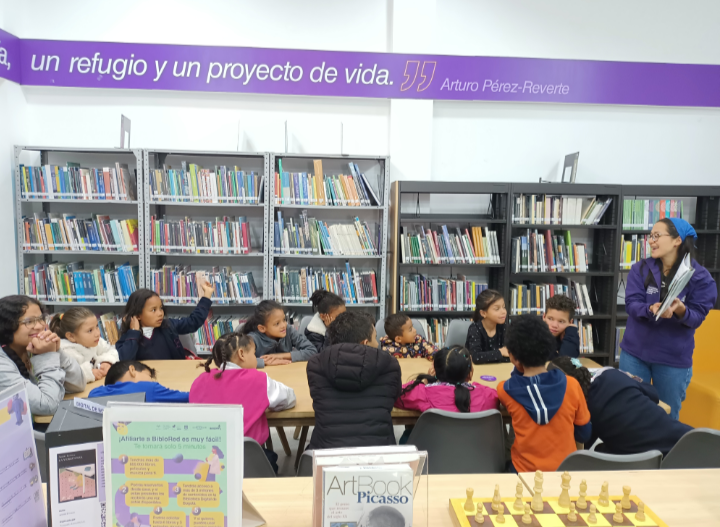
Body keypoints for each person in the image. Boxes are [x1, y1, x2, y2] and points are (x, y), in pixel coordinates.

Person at [620, 217, 717, 420]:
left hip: (672, 360)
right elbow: (631, 304)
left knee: (666, 417)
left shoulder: (701, 278)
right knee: (629, 413)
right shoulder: (641, 268)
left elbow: (697, 317)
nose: (651, 241)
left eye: (657, 236)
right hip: (635, 354)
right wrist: (650, 308)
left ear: (677, 240)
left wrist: (682, 310)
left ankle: (664, 453)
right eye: (650, 236)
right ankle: (632, 453)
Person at [189, 332, 296, 472]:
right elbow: (289, 398)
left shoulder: (199, 381)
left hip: (208, 465)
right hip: (249, 463)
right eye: (254, 353)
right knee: (271, 459)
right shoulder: (257, 379)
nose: (255, 358)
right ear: (241, 354)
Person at [497, 315, 591, 473]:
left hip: (523, 472)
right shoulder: (572, 385)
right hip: (564, 472)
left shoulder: (506, 390)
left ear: (513, 356)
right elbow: (584, 434)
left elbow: (519, 379)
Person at [550, 357, 693, 456]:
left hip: (638, 460)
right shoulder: (612, 375)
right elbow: (654, 396)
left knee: (600, 451)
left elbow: (582, 446)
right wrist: (630, 380)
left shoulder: (583, 410)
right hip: (683, 439)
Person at [307, 312, 401, 450]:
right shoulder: (389, 364)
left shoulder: (316, 364)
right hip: (379, 455)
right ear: (365, 343)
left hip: (328, 456)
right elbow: (395, 396)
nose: (378, 342)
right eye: (375, 338)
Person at [0, 295, 86, 416]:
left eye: (41, 319)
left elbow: (78, 385)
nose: (40, 326)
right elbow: (48, 405)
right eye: (29, 321)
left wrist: (57, 351)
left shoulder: (33, 346)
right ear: (6, 326)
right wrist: (48, 355)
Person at [395, 346, 500, 442]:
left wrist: (426, 381)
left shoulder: (423, 392)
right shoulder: (485, 395)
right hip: (472, 454)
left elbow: (395, 393)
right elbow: (499, 397)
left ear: (435, 371)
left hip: (434, 454)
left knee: (407, 435)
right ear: (469, 373)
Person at [116, 282, 213, 361]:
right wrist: (134, 333)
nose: (160, 313)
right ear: (137, 315)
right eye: (153, 310)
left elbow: (193, 322)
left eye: (161, 308)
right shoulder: (128, 337)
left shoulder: (168, 326)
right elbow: (124, 361)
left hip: (172, 375)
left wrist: (206, 296)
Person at [50, 307, 119, 384]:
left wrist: (107, 361)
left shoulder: (96, 342)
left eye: (96, 326)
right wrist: (87, 374)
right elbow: (67, 377)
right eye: (90, 330)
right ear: (71, 336)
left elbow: (111, 350)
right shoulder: (66, 352)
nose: (97, 333)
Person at [241, 300, 317, 367]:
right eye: (277, 324)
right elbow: (240, 362)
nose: (284, 325)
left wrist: (280, 356)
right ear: (262, 328)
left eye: (284, 320)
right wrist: (264, 362)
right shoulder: (253, 339)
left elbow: (312, 351)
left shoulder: (288, 330)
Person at [89, 361, 189, 402]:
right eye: (149, 376)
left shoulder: (95, 393)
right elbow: (191, 397)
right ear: (132, 370)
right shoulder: (149, 389)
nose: (150, 381)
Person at [464, 289, 509, 364]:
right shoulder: (475, 328)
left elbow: (511, 355)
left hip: (500, 369)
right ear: (483, 313)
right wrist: (500, 353)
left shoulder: (504, 327)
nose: (503, 311)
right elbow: (476, 357)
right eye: (497, 309)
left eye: (504, 307)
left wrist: (487, 357)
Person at [305, 289, 346, 354]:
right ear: (323, 317)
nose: (343, 319)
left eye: (344, 314)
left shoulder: (341, 323)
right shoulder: (313, 333)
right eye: (339, 316)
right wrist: (330, 331)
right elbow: (323, 354)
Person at [543, 294, 580, 359]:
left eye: (561, 321)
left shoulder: (569, 336)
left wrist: (571, 330)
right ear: (544, 317)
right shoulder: (535, 334)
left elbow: (567, 361)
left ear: (570, 322)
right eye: (550, 319)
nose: (554, 325)